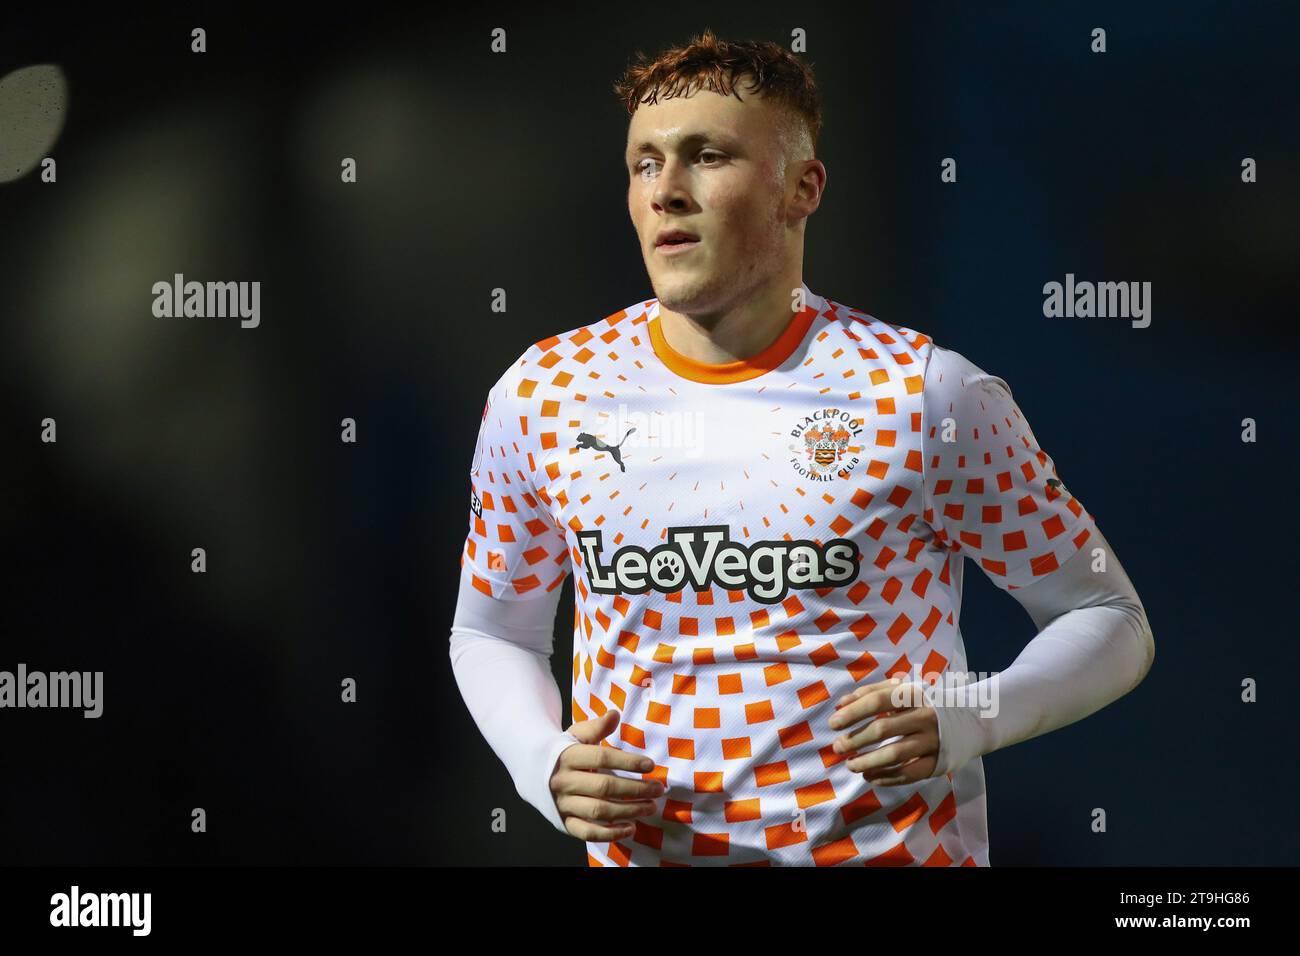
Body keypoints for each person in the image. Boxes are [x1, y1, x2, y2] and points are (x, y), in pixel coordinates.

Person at [449, 30, 1153, 866]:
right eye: (644, 164)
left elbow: (1108, 616)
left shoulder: (925, 395)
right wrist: (544, 761)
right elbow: (493, 633)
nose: (666, 191)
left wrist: (973, 714)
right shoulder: (543, 396)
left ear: (802, 187)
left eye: (705, 156)